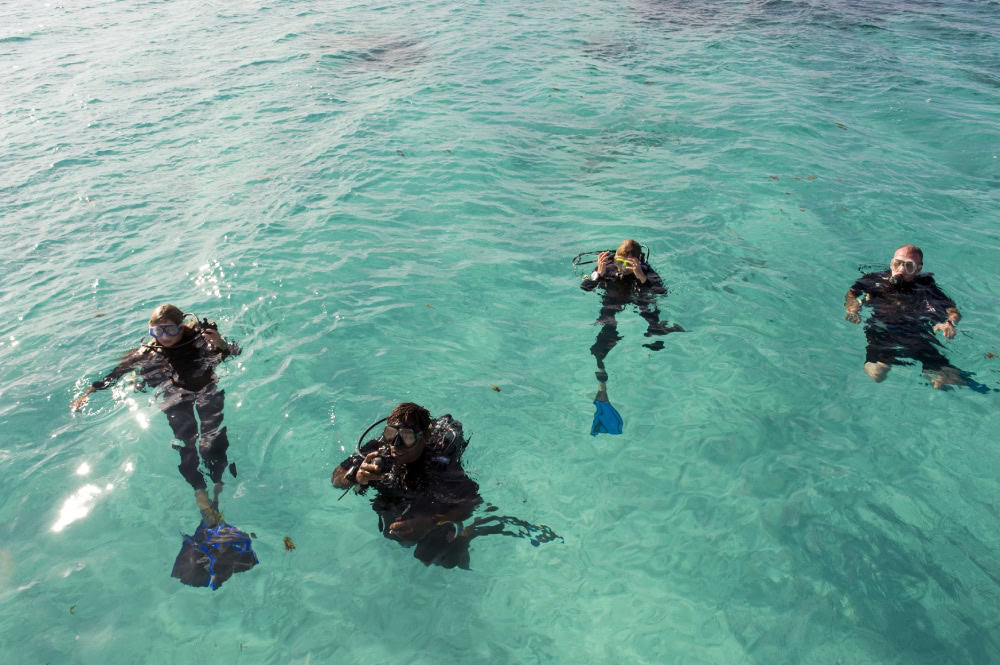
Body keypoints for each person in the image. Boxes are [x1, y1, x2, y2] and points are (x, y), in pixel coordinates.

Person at [70, 304, 240, 518]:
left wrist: (221, 344)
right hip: (174, 398)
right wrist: (87, 392)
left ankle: (218, 488)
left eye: (170, 330)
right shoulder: (148, 352)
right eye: (158, 331)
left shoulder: (199, 340)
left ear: (181, 327)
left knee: (211, 442)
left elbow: (233, 352)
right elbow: (115, 374)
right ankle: (201, 494)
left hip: (206, 389)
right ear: (151, 331)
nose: (165, 337)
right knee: (186, 445)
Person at [331, 402, 484, 569]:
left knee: (439, 557)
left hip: (431, 501)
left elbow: (472, 501)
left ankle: (465, 537)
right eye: (391, 434)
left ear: (424, 437)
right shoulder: (380, 448)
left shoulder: (439, 462)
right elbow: (336, 478)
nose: (395, 445)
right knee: (396, 536)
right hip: (401, 496)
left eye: (407, 437)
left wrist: (430, 522)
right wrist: (356, 476)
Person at [844, 244, 963, 389]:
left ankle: (932, 373)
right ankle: (893, 359)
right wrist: (852, 307)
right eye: (897, 264)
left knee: (953, 377)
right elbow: (851, 294)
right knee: (877, 374)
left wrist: (949, 323)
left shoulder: (926, 286)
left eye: (908, 266)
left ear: (918, 269)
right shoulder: (875, 279)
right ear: (891, 263)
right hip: (881, 329)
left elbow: (952, 310)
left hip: (913, 332)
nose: (900, 270)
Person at [580, 239, 683, 383]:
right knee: (607, 319)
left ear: (636, 263)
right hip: (614, 298)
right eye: (618, 261)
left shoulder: (645, 271)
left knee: (650, 313)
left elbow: (661, 292)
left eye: (626, 264)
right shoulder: (607, 267)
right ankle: (603, 350)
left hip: (637, 296)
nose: (620, 267)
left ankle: (658, 331)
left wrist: (642, 277)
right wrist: (599, 273)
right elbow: (585, 286)